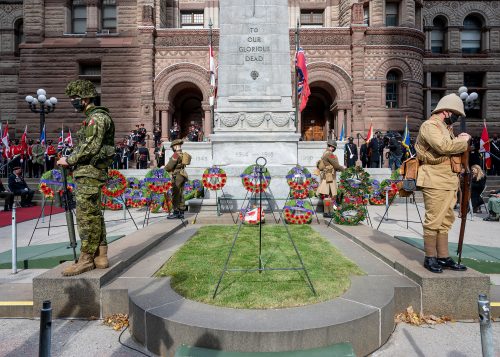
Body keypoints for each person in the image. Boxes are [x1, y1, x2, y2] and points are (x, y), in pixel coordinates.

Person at [57, 79, 115, 276]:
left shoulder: (96, 118)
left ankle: (85, 259)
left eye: (75, 98)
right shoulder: (95, 117)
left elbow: (91, 146)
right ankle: (101, 254)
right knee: (94, 213)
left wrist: (69, 159)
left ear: (86, 98)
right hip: (90, 172)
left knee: (86, 216)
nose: (73, 101)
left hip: (89, 173)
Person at [415, 93, 470, 273]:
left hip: (448, 179)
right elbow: (443, 147)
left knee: (446, 219)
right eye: (455, 114)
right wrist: (462, 141)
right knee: (434, 220)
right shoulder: (430, 125)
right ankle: (430, 257)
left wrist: (457, 139)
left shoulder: (445, 128)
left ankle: (443, 256)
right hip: (434, 178)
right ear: (446, 112)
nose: (456, 118)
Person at [316, 140, 346, 218]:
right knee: (329, 196)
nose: (332, 148)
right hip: (329, 178)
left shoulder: (325, 153)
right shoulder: (329, 154)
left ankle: (330, 211)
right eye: (333, 147)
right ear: (332, 147)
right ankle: (328, 212)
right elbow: (336, 166)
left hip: (327, 177)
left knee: (327, 196)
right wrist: (344, 169)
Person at [164, 139, 190, 219]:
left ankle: (175, 212)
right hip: (182, 175)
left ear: (175, 147)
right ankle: (181, 212)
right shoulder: (182, 154)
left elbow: (169, 166)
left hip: (177, 176)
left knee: (175, 194)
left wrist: (164, 168)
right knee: (181, 194)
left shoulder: (175, 155)